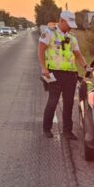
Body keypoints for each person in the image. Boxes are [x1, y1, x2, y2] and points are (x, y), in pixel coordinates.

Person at [38, 11, 87, 139]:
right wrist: (43, 68)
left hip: (70, 74)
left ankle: (67, 131)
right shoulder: (49, 33)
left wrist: (86, 66)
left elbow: (78, 55)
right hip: (54, 73)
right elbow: (41, 50)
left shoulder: (72, 38)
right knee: (53, 101)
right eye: (68, 24)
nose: (70, 27)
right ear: (62, 21)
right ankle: (47, 129)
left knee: (69, 103)